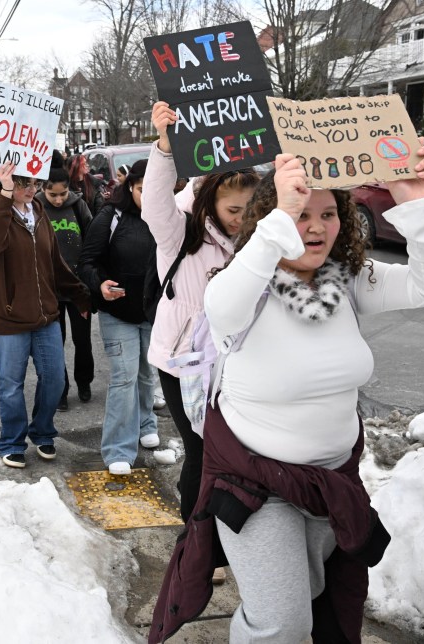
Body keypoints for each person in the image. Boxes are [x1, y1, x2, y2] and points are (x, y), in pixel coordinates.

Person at [151, 145, 424, 643]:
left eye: (329, 214)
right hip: (255, 491)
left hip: (332, 486)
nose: (315, 226)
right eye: (301, 213)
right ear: (270, 218)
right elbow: (223, 305)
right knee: (281, 622)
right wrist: (279, 218)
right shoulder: (239, 287)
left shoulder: (350, 281)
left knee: (312, 600)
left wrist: (420, 208)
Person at [141, 101, 260, 525]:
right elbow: (155, 205)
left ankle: (225, 532)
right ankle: (193, 540)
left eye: (249, 211)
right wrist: (164, 146)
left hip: (235, 360)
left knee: (233, 449)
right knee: (200, 448)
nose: (240, 221)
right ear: (211, 203)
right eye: (233, 212)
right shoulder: (181, 234)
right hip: (183, 361)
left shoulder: (255, 239)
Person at [0, 162, 90, 469]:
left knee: (53, 378)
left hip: (44, 314)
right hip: (6, 316)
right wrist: (5, 195)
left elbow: (54, 262)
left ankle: (42, 431)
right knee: (11, 383)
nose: (32, 189)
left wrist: (79, 294)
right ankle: (12, 441)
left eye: (34, 183)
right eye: (23, 183)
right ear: (6, 183)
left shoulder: (37, 212)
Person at [79, 159, 158, 476]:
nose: (149, 196)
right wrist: (100, 284)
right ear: (130, 187)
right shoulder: (110, 217)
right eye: (142, 189)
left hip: (153, 313)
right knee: (125, 376)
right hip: (118, 312)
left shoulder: (169, 216)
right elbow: (86, 262)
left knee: (146, 372)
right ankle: (118, 449)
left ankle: (146, 422)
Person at [36, 152, 95, 411]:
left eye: (63, 194)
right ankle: (60, 389)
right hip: (49, 289)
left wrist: (89, 275)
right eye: (53, 195)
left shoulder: (78, 205)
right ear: (43, 189)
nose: (59, 199)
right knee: (54, 343)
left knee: (82, 340)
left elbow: (92, 240)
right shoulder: (36, 206)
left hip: (77, 287)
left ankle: (84, 381)